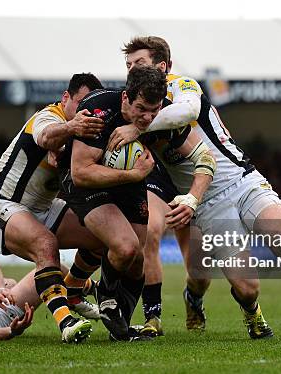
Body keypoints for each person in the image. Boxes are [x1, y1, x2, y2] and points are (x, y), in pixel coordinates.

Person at [110, 36, 281, 342]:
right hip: (210, 202)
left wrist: (139, 126)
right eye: (128, 66)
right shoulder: (132, 105)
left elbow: (189, 111)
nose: (131, 70)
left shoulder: (181, 85)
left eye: (139, 63)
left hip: (243, 179)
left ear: (161, 67)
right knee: (246, 287)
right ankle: (245, 309)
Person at [59, 65, 215, 341]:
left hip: (130, 183)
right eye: (141, 109)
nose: (147, 117)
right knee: (125, 246)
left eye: (153, 111)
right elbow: (81, 173)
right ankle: (106, 294)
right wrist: (133, 174)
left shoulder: (161, 115)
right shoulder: (98, 109)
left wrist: (192, 199)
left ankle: (121, 328)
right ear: (125, 98)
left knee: (137, 260)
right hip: (86, 185)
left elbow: (205, 159)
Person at [0, 73, 107, 343]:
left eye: (88, 107)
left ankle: (73, 289)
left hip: (42, 209)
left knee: (104, 232)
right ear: (65, 98)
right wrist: (72, 128)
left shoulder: (87, 130)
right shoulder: (49, 117)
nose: (83, 112)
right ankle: (66, 322)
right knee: (46, 243)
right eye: (79, 103)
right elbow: (47, 137)